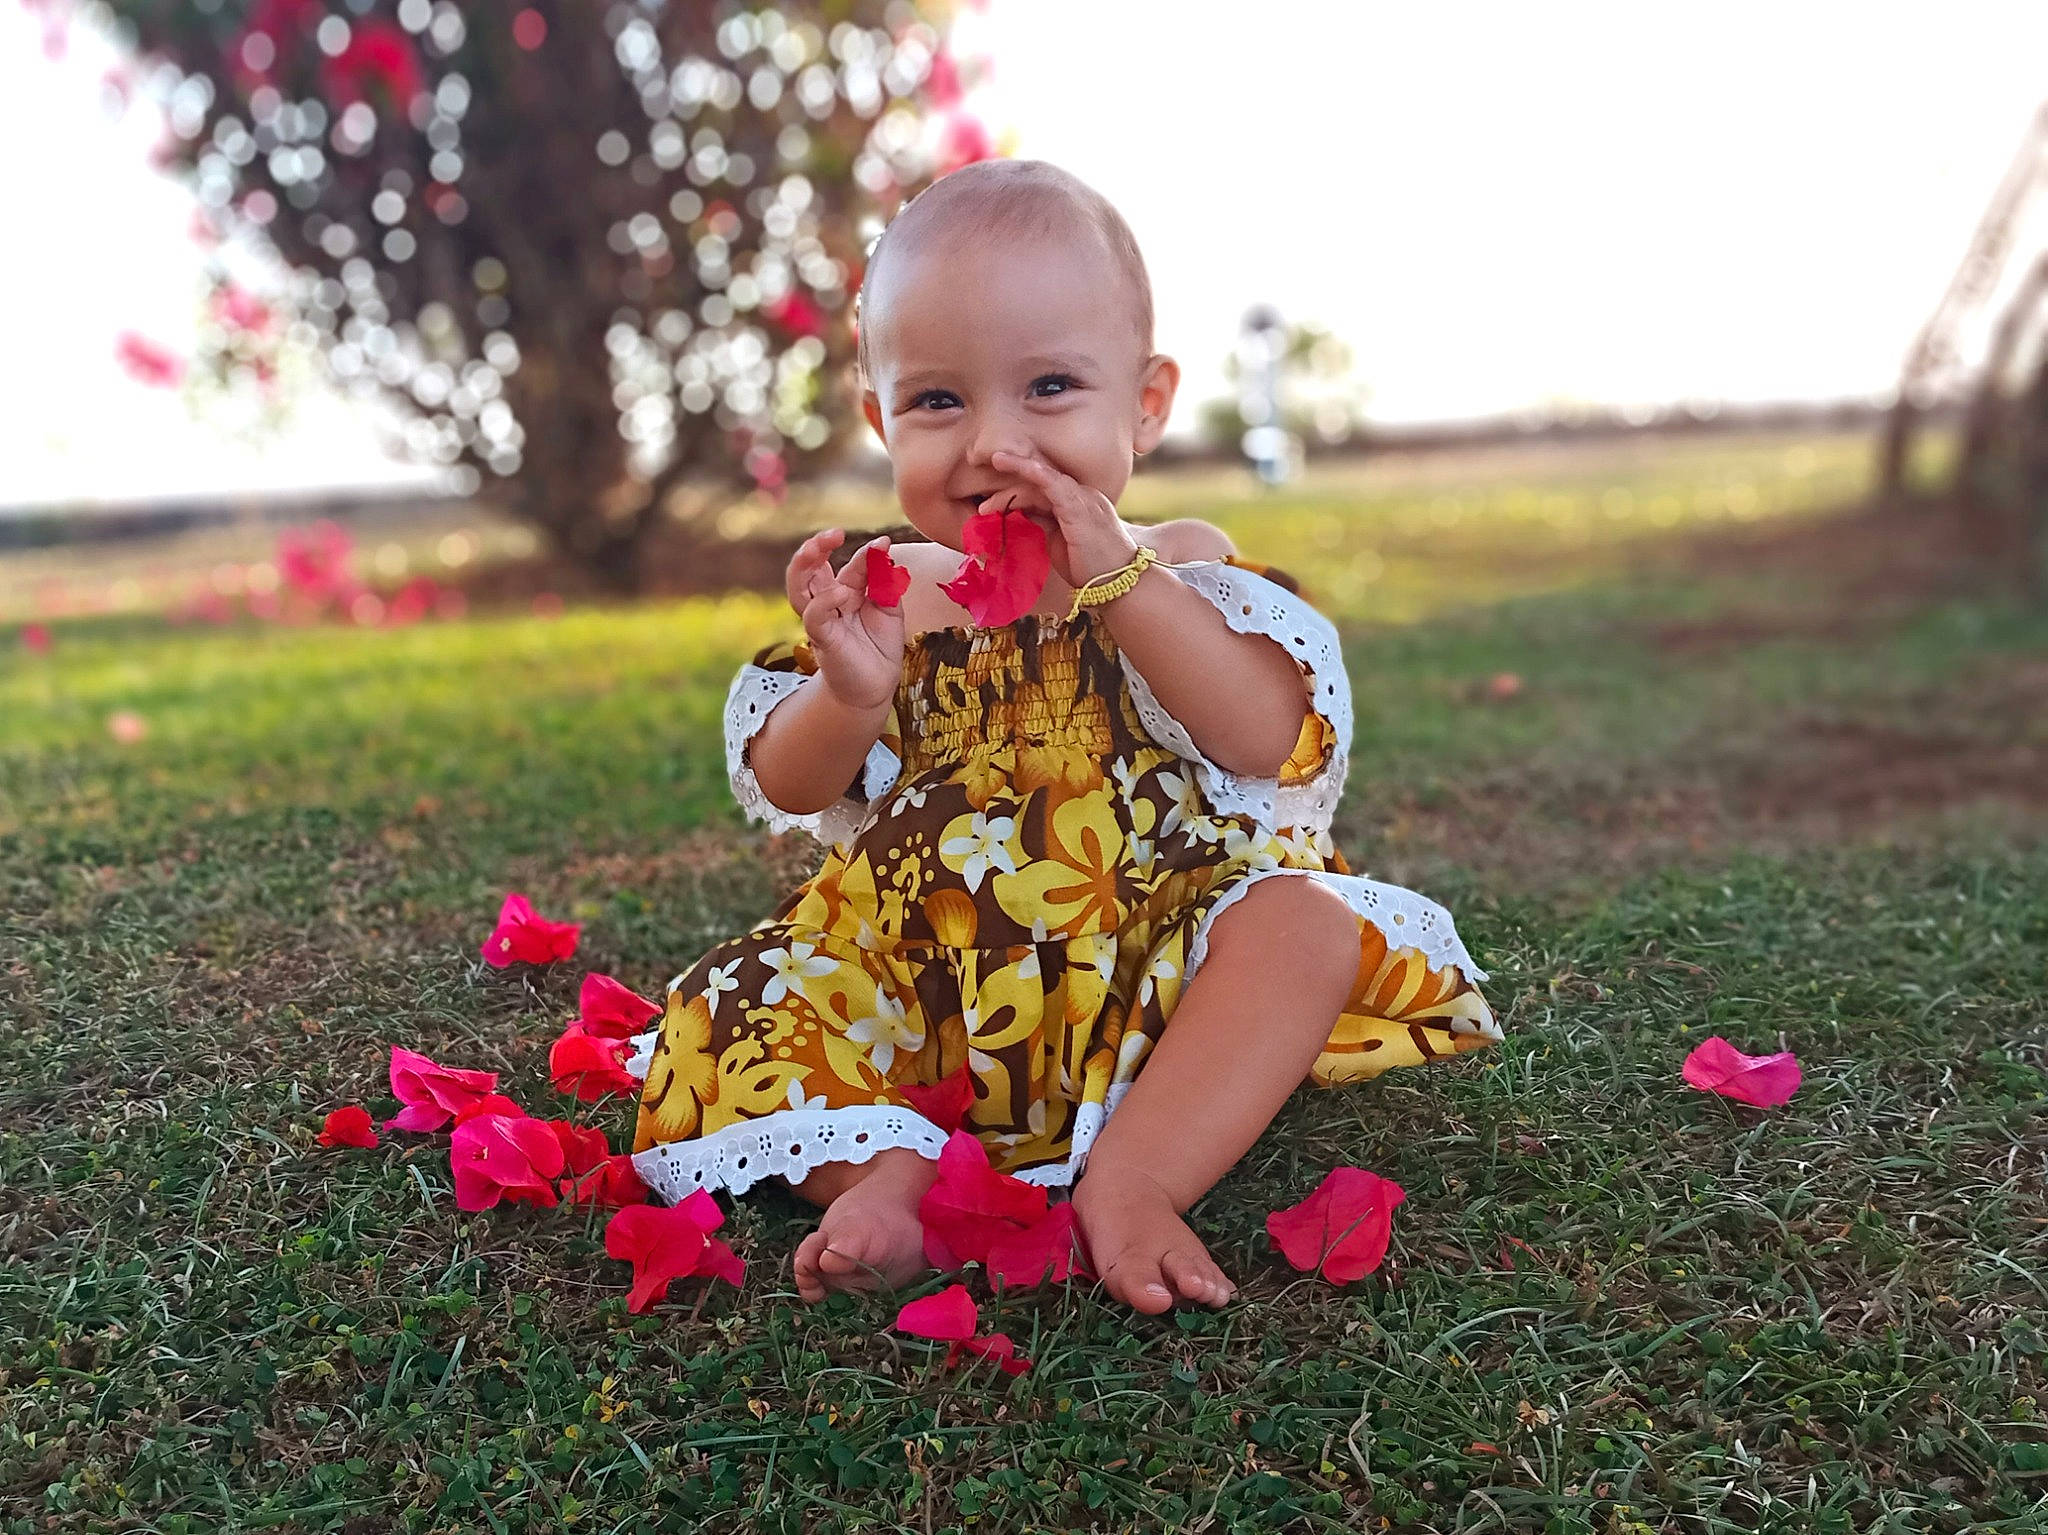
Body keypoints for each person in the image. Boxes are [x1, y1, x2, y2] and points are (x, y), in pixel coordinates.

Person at [626, 160, 1499, 1314]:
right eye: (937, 401)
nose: (994, 444)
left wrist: (1124, 585)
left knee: (1300, 925)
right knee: (726, 997)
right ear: (878, 417)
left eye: (1048, 386)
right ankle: (889, 1169)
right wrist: (846, 692)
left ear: (1144, 404)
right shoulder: (895, 591)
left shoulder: (1178, 560)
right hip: (927, 974)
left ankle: (1138, 1174)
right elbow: (791, 783)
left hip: (1147, 957)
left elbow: (1264, 735)